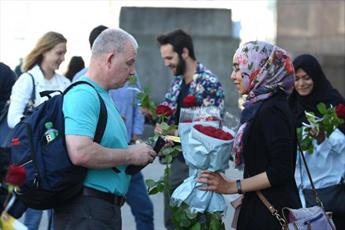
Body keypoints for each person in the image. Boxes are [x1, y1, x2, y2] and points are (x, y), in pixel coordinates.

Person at [54, 28, 156, 230]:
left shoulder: (102, 94)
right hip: (87, 211)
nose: (133, 71)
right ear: (109, 59)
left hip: (99, 209)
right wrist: (130, 155)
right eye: (129, 63)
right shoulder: (84, 94)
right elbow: (80, 152)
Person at [197, 41, 301, 229]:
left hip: (270, 215)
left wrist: (232, 186)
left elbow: (281, 170)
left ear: (260, 69)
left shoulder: (272, 109)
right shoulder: (262, 105)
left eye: (238, 68)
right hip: (262, 209)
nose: (233, 76)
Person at [155, 29, 225, 230]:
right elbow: (169, 116)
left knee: (196, 222)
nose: (166, 63)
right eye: (164, 58)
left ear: (184, 52)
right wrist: (161, 125)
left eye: (170, 57)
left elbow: (212, 132)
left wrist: (174, 132)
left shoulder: (208, 82)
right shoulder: (178, 81)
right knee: (172, 221)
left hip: (198, 167)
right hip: (176, 160)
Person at [7, 31, 70, 230]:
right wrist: (38, 127)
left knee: (57, 214)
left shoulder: (65, 83)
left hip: (58, 156)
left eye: (64, 53)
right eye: (58, 53)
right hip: (33, 156)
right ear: (44, 51)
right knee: (33, 213)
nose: (62, 58)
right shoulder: (27, 80)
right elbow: (12, 118)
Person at [289, 54, 345, 229]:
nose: (301, 84)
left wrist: (324, 137)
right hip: (301, 193)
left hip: (332, 191)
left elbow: (343, 145)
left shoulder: (333, 104)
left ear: (316, 77)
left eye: (307, 78)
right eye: (296, 79)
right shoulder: (290, 106)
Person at [109, 75, 154, 230]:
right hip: (104, 158)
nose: (131, 66)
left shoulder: (131, 78)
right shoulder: (83, 79)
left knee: (145, 210)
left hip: (129, 153)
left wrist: (136, 133)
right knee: (108, 215)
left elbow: (141, 105)